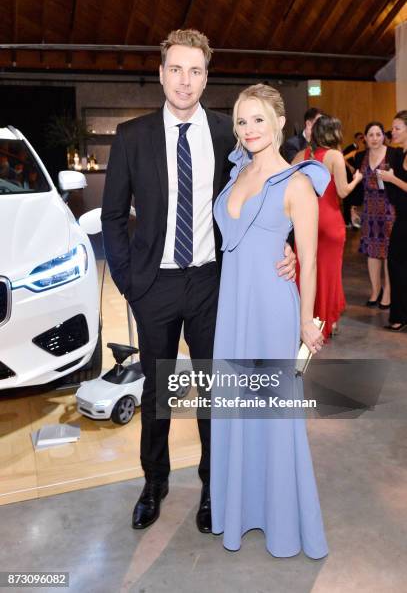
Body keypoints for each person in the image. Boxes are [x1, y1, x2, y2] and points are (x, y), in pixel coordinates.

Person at [101, 30, 296, 534]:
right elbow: (114, 216)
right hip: (154, 286)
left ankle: (215, 485)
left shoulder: (225, 133)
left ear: (207, 77)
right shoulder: (132, 136)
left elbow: (265, 192)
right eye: (176, 69)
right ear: (162, 72)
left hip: (215, 284)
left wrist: (287, 245)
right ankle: (155, 481)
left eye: (196, 71)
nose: (185, 81)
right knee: (159, 392)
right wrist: (129, 283)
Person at [211, 84, 329, 559]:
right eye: (241, 121)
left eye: (259, 119)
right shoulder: (236, 170)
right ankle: (241, 512)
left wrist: (307, 322)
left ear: (281, 122)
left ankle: (283, 522)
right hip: (231, 308)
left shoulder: (298, 181)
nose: (249, 130)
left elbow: (311, 258)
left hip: (272, 311)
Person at [292, 115, 363, 338]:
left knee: (305, 270)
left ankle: (304, 321)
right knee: (328, 273)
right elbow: (342, 191)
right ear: (334, 133)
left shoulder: (300, 155)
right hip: (330, 221)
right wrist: (358, 179)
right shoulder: (334, 156)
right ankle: (326, 322)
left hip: (305, 220)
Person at [354, 122, 397, 309]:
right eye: (370, 135)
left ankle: (388, 292)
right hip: (369, 210)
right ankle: (375, 290)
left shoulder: (393, 154)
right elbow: (356, 184)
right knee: (372, 253)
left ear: (383, 136)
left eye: (378, 134)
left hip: (389, 209)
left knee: (388, 252)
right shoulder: (360, 156)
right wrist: (353, 207)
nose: (374, 138)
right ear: (365, 138)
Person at [377, 110, 407, 331]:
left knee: (396, 264)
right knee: (397, 264)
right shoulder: (400, 153)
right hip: (403, 217)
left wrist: (392, 179)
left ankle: (399, 316)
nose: (392, 131)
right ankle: (400, 314)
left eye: (397, 128)